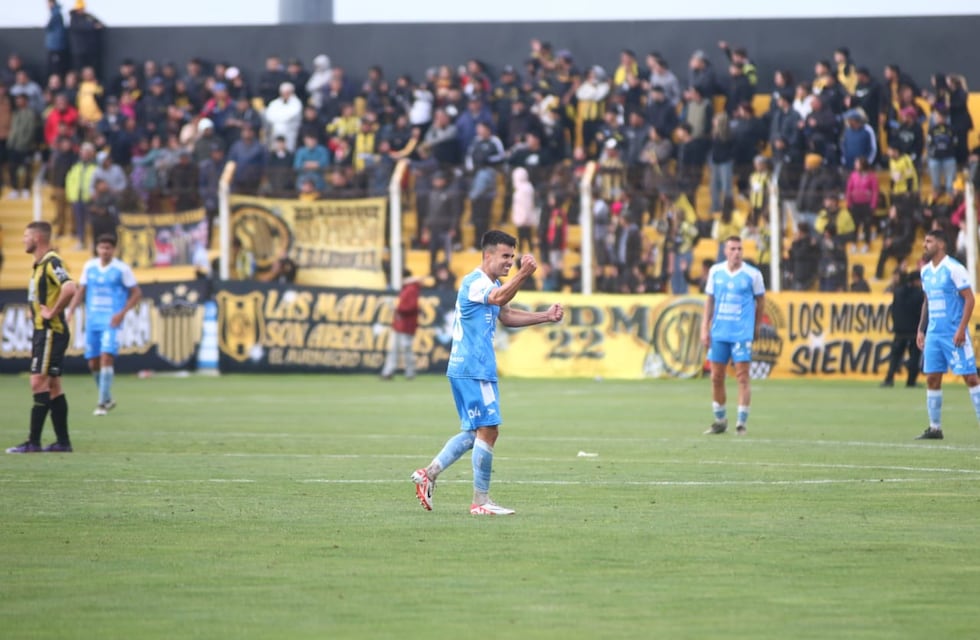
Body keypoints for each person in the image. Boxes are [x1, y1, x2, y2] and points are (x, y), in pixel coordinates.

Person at [411, 230, 564, 515]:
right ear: (488, 255)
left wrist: (544, 316)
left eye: (512, 257)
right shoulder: (475, 282)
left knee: (474, 433)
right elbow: (497, 299)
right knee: (489, 430)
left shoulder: (489, 284)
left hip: (468, 367)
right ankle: (480, 502)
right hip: (473, 367)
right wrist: (524, 274)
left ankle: (428, 474)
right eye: (505, 256)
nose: (509, 262)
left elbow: (504, 313)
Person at [7, 222, 77, 453]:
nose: (23, 240)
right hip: (44, 331)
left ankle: (33, 442)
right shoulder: (38, 265)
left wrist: (52, 311)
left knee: (38, 381)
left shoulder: (51, 261)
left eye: (26, 235)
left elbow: (69, 287)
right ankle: (62, 442)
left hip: (50, 331)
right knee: (54, 385)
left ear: (37, 237)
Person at [914, 230, 980, 440]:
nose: (925, 244)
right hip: (934, 334)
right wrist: (921, 329)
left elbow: (969, 299)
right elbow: (927, 301)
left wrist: (961, 329)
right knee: (932, 378)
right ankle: (935, 428)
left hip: (954, 333)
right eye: (925, 241)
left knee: (970, 377)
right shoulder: (925, 272)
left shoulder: (954, 269)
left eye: (929, 241)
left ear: (941, 245)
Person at [66, 234, 141, 416]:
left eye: (108, 248)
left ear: (113, 250)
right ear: (97, 249)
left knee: (106, 357)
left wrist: (121, 313)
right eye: (102, 248)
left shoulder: (121, 269)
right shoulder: (89, 266)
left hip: (111, 321)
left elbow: (137, 293)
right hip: (92, 321)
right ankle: (107, 397)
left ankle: (101, 403)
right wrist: (70, 310)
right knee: (93, 363)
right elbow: (81, 290)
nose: (105, 251)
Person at [700, 236, 766, 435]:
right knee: (716, 377)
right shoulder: (716, 272)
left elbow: (761, 301)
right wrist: (705, 326)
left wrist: (756, 325)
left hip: (741, 333)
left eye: (739, 249)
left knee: (742, 377)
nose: (737, 252)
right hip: (720, 331)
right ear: (725, 251)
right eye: (733, 249)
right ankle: (720, 421)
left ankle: (741, 423)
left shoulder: (752, 274)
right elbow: (710, 300)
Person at [882, 271, 923, 388]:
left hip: (900, 331)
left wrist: (896, 325)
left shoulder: (898, 292)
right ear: (916, 281)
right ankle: (911, 381)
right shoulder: (920, 294)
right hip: (914, 331)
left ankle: (889, 379)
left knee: (895, 357)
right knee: (914, 358)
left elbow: (894, 310)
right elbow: (920, 313)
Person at [380, 270, 422, 381]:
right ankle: (390, 371)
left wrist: (398, 309)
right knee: (396, 349)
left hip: (406, 325)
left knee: (404, 349)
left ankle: (408, 372)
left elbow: (411, 307)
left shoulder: (411, 289)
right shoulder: (409, 288)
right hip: (401, 324)